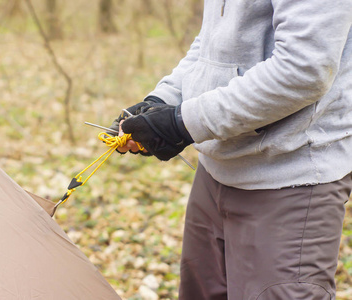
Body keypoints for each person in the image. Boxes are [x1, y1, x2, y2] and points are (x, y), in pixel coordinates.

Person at [110, 1, 352, 299]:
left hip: (290, 177)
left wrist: (182, 123)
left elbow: (304, 69)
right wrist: (162, 100)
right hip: (214, 173)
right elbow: (213, 43)